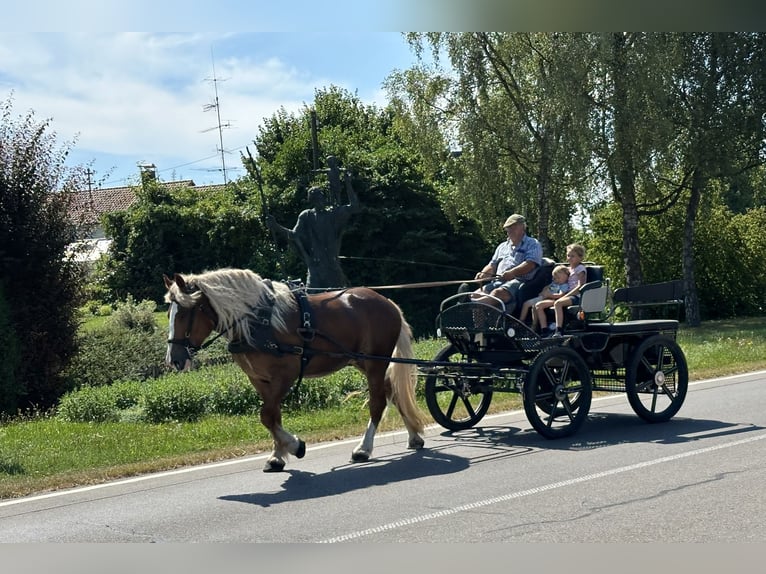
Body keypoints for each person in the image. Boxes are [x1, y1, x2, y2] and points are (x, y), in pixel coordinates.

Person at [266, 168, 360, 289]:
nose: (323, 199)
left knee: (339, 298)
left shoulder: (333, 214)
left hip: (332, 267)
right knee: (313, 299)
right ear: (313, 201)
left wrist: (348, 183)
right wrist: (276, 226)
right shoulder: (306, 216)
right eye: (319, 198)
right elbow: (294, 235)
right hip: (316, 268)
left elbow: (354, 207)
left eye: (322, 197)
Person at [467, 213, 543, 315]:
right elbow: (492, 265)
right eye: (508, 228)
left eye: (513, 227)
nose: (509, 231)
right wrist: (483, 274)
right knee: (475, 294)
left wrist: (512, 273)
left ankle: (468, 305)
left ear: (522, 227)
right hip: (498, 281)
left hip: (520, 282)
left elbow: (530, 264)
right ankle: (478, 329)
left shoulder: (533, 243)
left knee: (497, 294)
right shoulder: (502, 247)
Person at [538, 243, 587, 337]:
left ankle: (558, 330)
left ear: (580, 258)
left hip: (576, 296)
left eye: (573, 256)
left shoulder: (580, 268)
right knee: (539, 305)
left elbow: (581, 286)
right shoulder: (568, 269)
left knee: (558, 303)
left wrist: (566, 295)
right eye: (568, 255)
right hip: (565, 295)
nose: (569, 258)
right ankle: (543, 330)